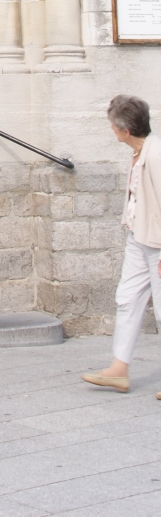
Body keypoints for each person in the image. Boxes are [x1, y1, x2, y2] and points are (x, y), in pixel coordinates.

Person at [82, 95, 161, 397]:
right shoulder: (139, 152)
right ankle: (119, 369)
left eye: (113, 127)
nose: (112, 131)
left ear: (125, 130)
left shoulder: (156, 155)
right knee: (127, 298)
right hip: (137, 236)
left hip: (156, 242)